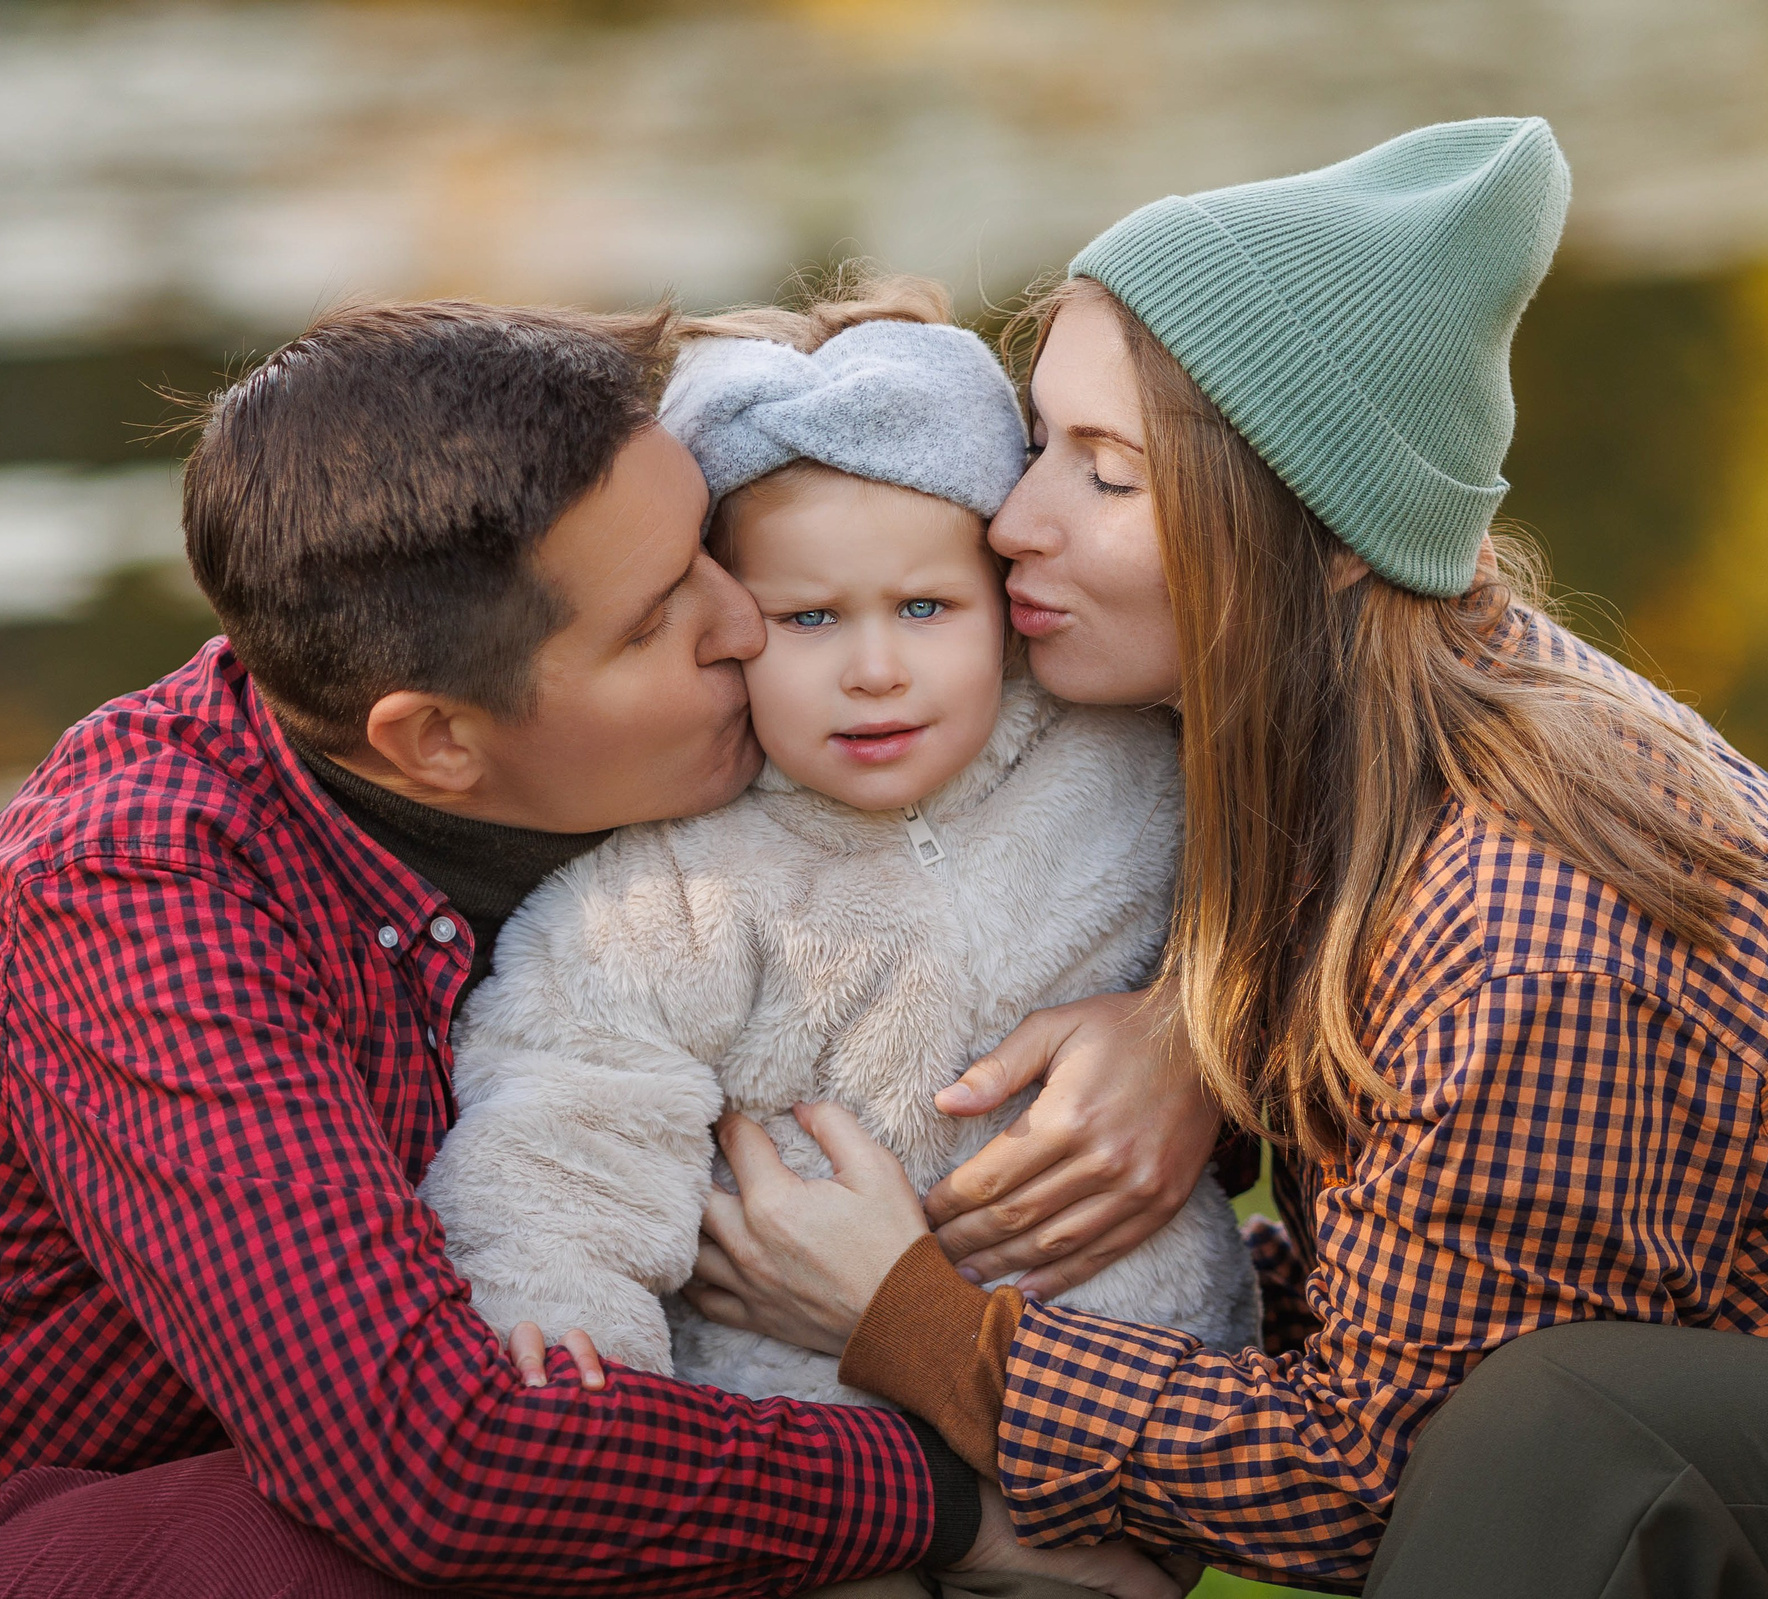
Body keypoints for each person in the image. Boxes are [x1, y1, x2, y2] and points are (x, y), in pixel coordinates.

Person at [682, 118, 1768, 1597]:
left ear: (1332, 529)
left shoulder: (1533, 917)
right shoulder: (1344, 678)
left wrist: (929, 1326)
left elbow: (1378, 1473)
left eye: (1108, 471)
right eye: (1040, 442)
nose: (1011, 522)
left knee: (1553, 1433)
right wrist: (1198, 1016)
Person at [0, 299, 1215, 1599]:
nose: (750, 625)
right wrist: (976, 1486)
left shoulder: (674, 712)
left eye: (710, 548)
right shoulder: (133, 893)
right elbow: (423, 1461)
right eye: (656, 622)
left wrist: (1190, 1024)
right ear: (434, 741)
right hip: (29, 1551)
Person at [419, 277, 1257, 1411]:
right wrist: (563, 1315)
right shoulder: (673, 879)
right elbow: (571, 1113)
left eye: (924, 608)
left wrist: (1192, 1032)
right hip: (809, 1429)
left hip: (1146, 1396)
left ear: (1006, 601)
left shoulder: (1131, 768)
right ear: (725, 622)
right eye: (807, 619)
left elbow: (1282, 949)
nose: (874, 670)